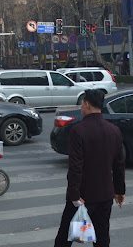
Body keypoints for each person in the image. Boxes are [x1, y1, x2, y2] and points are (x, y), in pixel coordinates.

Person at [54, 89, 125, 247]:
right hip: (105, 195)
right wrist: (119, 190)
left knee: (64, 237)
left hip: (82, 196)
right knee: (102, 237)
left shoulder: (78, 130)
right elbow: (119, 164)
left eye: (82, 104)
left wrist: (74, 194)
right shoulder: (114, 131)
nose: (81, 107)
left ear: (87, 104)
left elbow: (75, 166)